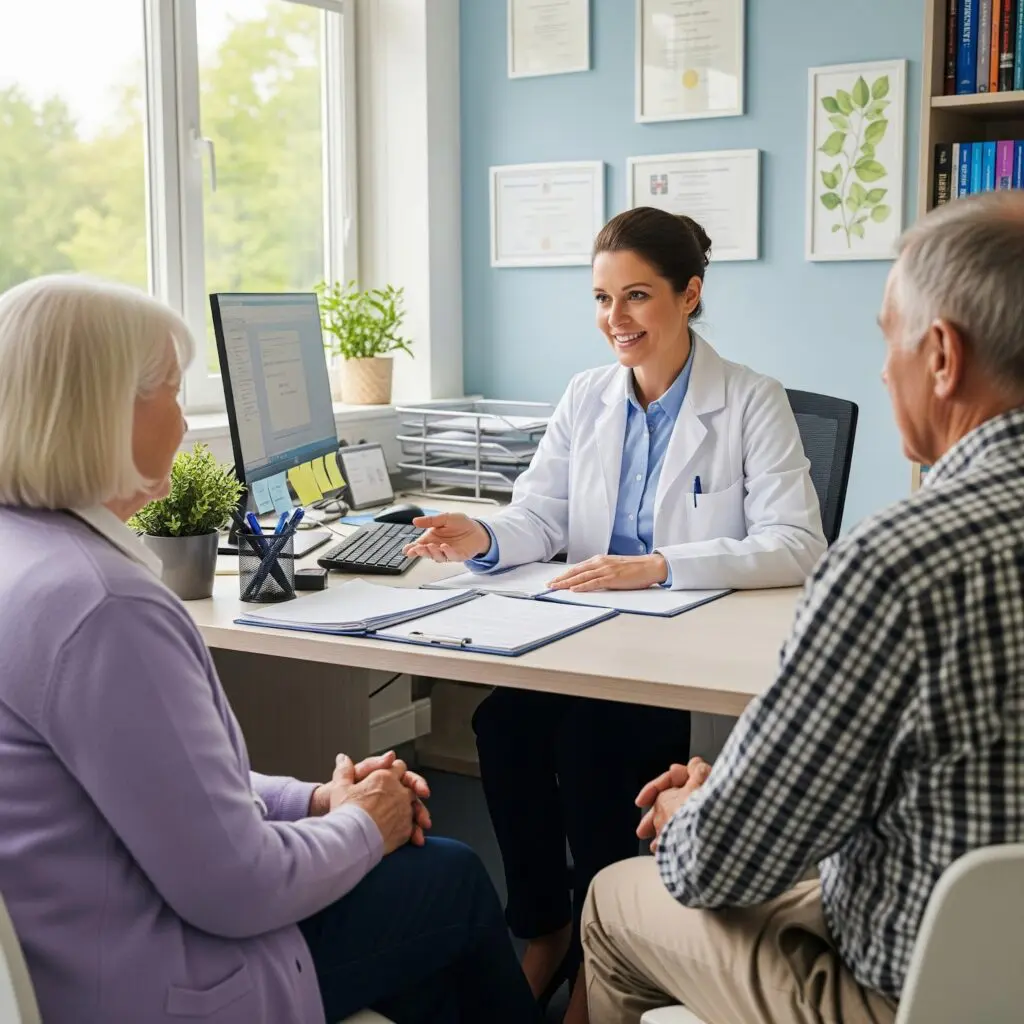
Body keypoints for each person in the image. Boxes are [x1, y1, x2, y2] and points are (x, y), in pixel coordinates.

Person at [0, 275, 541, 1024]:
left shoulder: (28, 557)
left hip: (75, 953)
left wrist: (316, 801)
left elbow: (165, 782)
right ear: (103, 411)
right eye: (171, 393)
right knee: (446, 877)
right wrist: (367, 824)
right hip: (160, 982)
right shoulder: (106, 607)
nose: (184, 422)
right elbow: (237, 888)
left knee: (426, 944)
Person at [576, 190, 1024, 1024]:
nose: (883, 371)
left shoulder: (899, 563)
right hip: (977, 936)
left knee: (613, 899)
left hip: (907, 991)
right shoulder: (589, 396)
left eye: (888, 338)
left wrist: (692, 812)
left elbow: (711, 867)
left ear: (941, 356)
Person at [404, 207, 827, 1001]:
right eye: (602, 299)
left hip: (683, 648)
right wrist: (482, 535)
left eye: (636, 296)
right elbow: (541, 517)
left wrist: (658, 566)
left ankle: (605, 960)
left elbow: (799, 542)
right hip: (587, 635)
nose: (616, 319)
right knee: (503, 725)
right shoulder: (586, 396)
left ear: (689, 294)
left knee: (592, 744)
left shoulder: (750, 399)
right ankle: (547, 926)